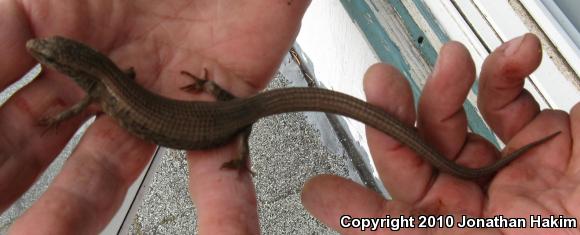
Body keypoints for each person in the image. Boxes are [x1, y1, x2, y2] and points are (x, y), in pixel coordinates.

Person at [0, 0, 577, 234]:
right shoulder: (106, 80)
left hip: (230, 122)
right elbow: (108, 86)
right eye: (49, 55)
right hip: (227, 114)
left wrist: (62, 117)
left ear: (77, 65)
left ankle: (234, 133)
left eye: (49, 54)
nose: (42, 57)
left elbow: (89, 99)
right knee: (233, 120)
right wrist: (208, 87)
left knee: (234, 130)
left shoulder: (92, 91)